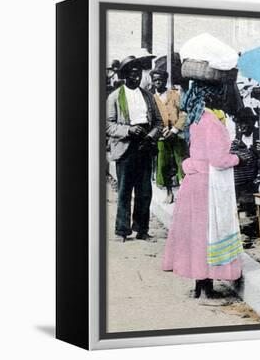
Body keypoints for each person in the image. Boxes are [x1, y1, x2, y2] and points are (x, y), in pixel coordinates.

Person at [162, 81, 249, 298]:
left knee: (196, 235)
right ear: (211, 98)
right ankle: (207, 287)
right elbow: (219, 160)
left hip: (193, 182)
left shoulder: (196, 119)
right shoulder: (211, 122)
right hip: (206, 185)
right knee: (209, 233)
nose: (223, 99)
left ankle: (200, 285)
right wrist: (240, 158)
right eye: (219, 95)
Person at [106, 55, 163, 241]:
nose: (136, 78)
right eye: (132, 75)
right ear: (124, 75)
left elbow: (158, 122)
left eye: (138, 74)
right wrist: (129, 130)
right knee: (124, 190)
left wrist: (151, 135)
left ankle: (142, 229)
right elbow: (108, 125)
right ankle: (122, 230)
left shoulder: (147, 96)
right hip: (126, 147)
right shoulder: (115, 97)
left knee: (145, 191)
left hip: (145, 145)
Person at [151, 69, 188, 204]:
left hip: (177, 135)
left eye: (160, 79)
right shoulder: (151, 98)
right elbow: (151, 118)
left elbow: (184, 113)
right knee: (164, 164)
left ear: (165, 80)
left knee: (182, 162)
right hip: (161, 136)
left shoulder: (175, 95)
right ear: (152, 81)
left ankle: (184, 192)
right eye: (155, 80)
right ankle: (169, 192)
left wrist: (175, 129)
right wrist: (161, 130)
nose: (158, 82)